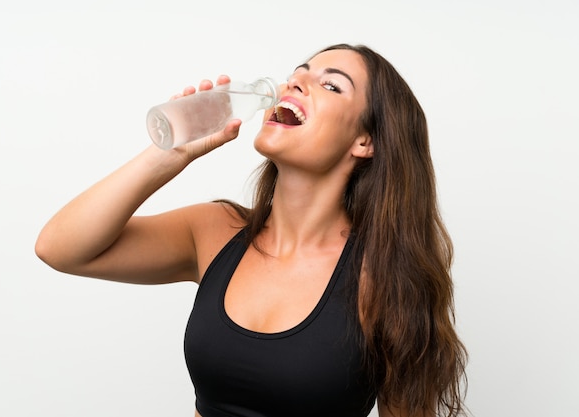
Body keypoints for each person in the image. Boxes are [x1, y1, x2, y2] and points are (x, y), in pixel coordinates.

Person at [35, 43, 468, 417]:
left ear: (365, 141)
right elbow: (61, 249)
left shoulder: (384, 277)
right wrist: (167, 154)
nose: (295, 84)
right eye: (297, 75)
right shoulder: (214, 231)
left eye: (331, 85)